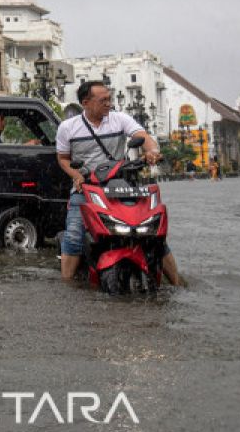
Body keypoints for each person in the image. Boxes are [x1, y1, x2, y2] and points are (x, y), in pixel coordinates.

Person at [56, 80, 183, 286]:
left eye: (109, 99)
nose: (108, 103)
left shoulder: (119, 119)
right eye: (103, 100)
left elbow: (143, 137)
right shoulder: (67, 128)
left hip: (120, 187)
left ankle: (178, 284)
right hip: (86, 188)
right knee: (73, 235)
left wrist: (152, 152)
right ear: (85, 102)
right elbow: (62, 159)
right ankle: (67, 286)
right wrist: (76, 175)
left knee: (152, 232)